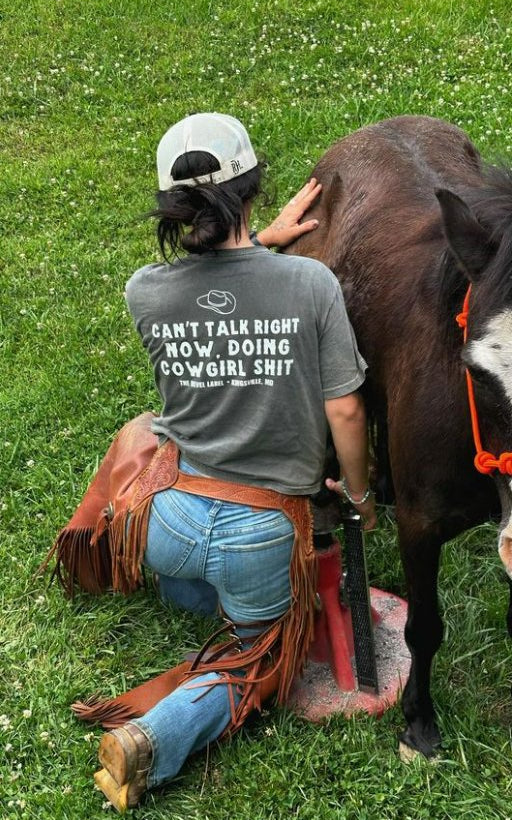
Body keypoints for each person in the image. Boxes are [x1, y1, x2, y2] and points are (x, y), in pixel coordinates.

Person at [89, 112, 377, 811]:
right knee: (264, 660)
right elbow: (345, 408)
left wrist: (257, 249)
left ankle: (202, 592)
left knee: (199, 585)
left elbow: (218, 302)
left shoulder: (143, 291)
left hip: (167, 525)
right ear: (252, 190)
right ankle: (152, 740)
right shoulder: (309, 286)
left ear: (172, 207)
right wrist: (361, 498)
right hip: (259, 533)